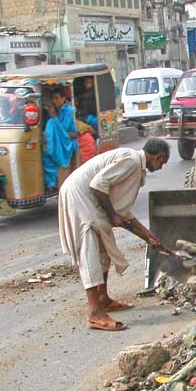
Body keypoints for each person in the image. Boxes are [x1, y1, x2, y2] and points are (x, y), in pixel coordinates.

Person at [58, 138, 174, 331]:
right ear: (158, 157)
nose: (162, 167)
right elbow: (97, 185)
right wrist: (112, 214)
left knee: (105, 248)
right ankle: (95, 313)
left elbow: (124, 214)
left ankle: (103, 298)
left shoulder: (137, 168)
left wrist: (149, 238)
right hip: (79, 197)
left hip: (89, 199)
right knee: (90, 252)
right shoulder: (131, 160)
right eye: (163, 163)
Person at [43, 87, 78, 192]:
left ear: (63, 99)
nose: (55, 101)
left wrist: (54, 117)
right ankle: (51, 184)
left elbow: (64, 130)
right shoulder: (53, 110)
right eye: (53, 99)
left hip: (67, 142)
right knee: (47, 156)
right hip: (58, 140)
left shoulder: (69, 111)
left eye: (57, 98)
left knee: (52, 122)